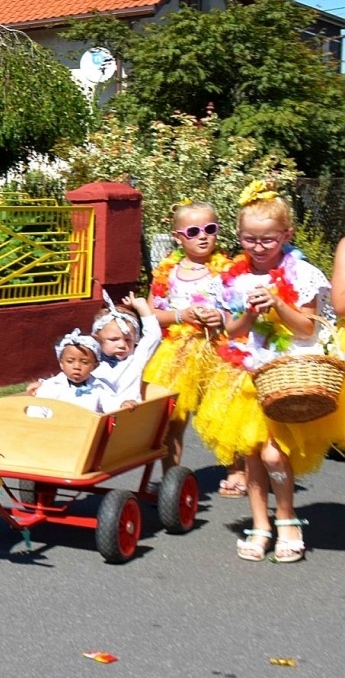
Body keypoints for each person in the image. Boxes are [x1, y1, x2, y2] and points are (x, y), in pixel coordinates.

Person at [194, 181, 344, 563]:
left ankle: (288, 518)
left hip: (287, 370)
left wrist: (277, 303)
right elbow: (232, 331)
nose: (258, 247)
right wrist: (249, 312)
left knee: (276, 456)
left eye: (267, 239)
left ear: (286, 235)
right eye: (249, 239)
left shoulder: (302, 273)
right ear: (240, 236)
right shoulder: (232, 277)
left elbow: (309, 328)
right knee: (254, 455)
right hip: (245, 373)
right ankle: (261, 524)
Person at [140, 202, 242, 488]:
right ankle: (172, 476)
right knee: (172, 415)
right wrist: (180, 315)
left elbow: (239, 311)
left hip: (216, 348)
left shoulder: (227, 271)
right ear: (178, 236)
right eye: (193, 231)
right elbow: (151, 315)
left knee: (224, 411)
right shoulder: (167, 271)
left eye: (210, 229)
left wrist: (219, 316)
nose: (203, 236)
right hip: (177, 352)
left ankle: (236, 470)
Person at [27, 331, 124, 412]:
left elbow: (114, 407)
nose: (77, 366)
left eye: (85, 362)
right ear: (61, 363)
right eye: (70, 361)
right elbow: (37, 412)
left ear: (94, 366)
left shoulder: (99, 387)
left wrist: (123, 405)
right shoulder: (50, 387)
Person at [89, 293, 160, 403]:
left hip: (128, 416)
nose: (122, 345)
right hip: (100, 417)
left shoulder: (135, 360)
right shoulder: (89, 363)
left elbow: (153, 336)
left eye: (128, 340)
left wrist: (142, 308)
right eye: (114, 339)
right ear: (97, 339)